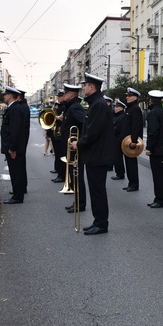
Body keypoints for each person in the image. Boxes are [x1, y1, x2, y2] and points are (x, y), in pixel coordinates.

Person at [73, 73, 115, 235]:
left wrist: (79, 143)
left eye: (85, 85)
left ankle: (101, 223)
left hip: (98, 155)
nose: (83, 88)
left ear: (92, 87)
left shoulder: (98, 105)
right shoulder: (96, 103)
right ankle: (98, 221)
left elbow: (93, 132)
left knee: (97, 190)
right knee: (96, 189)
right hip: (96, 155)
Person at [0, 86, 29, 204]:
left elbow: (15, 130)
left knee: (15, 171)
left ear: (10, 96)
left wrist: (12, 148)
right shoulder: (14, 108)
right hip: (14, 146)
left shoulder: (15, 109)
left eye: (5, 94)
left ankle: (17, 196)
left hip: (14, 148)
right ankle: (18, 192)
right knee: (16, 170)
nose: (4, 96)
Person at [61, 83, 86, 212]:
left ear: (71, 94)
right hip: (71, 148)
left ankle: (80, 203)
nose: (63, 95)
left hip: (75, 148)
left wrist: (78, 142)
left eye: (65, 93)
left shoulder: (75, 107)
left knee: (77, 176)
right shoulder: (70, 107)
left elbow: (84, 124)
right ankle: (77, 201)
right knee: (73, 175)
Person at [145, 90, 163, 209]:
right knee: (159, 175)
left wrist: (149, 147)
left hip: (156, 149)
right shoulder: (162, 112)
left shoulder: (153, 113)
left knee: (157, 176)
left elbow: (153, 132)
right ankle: (160, 198)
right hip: (161, 147)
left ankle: (160, 199)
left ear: (151, 100)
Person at [122, 87, 144, 192]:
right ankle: (131, 182)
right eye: (127, 95)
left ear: (135, 97)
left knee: (132, 164)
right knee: (128, 163)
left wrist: (134, 141)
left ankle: (134, 184)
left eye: (129, 95)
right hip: (127, 140)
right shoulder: (130, 108)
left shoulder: (135, 109)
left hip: (131, 141)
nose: (127, 97)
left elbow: (136, 126)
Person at [50, 94, 66, 183]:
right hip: (56, 135)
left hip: (60, 136)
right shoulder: (58, 107)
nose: (58, 98)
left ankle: (61, 175)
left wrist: (58, 118)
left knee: (61, 156)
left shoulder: (64, 107)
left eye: (60, 96)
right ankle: (59, 172)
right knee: (58, 155)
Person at [111, 100, 126, 181]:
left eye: (117, 107)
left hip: (119, 139)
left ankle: (120, 173)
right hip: (115, 138)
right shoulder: (116, 116)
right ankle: (118, 172)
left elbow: (119, 128)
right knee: (116, 157)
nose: (115, 108)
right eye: (115, 107)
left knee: (118, 158)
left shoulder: (122, 116)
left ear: (121, 108)